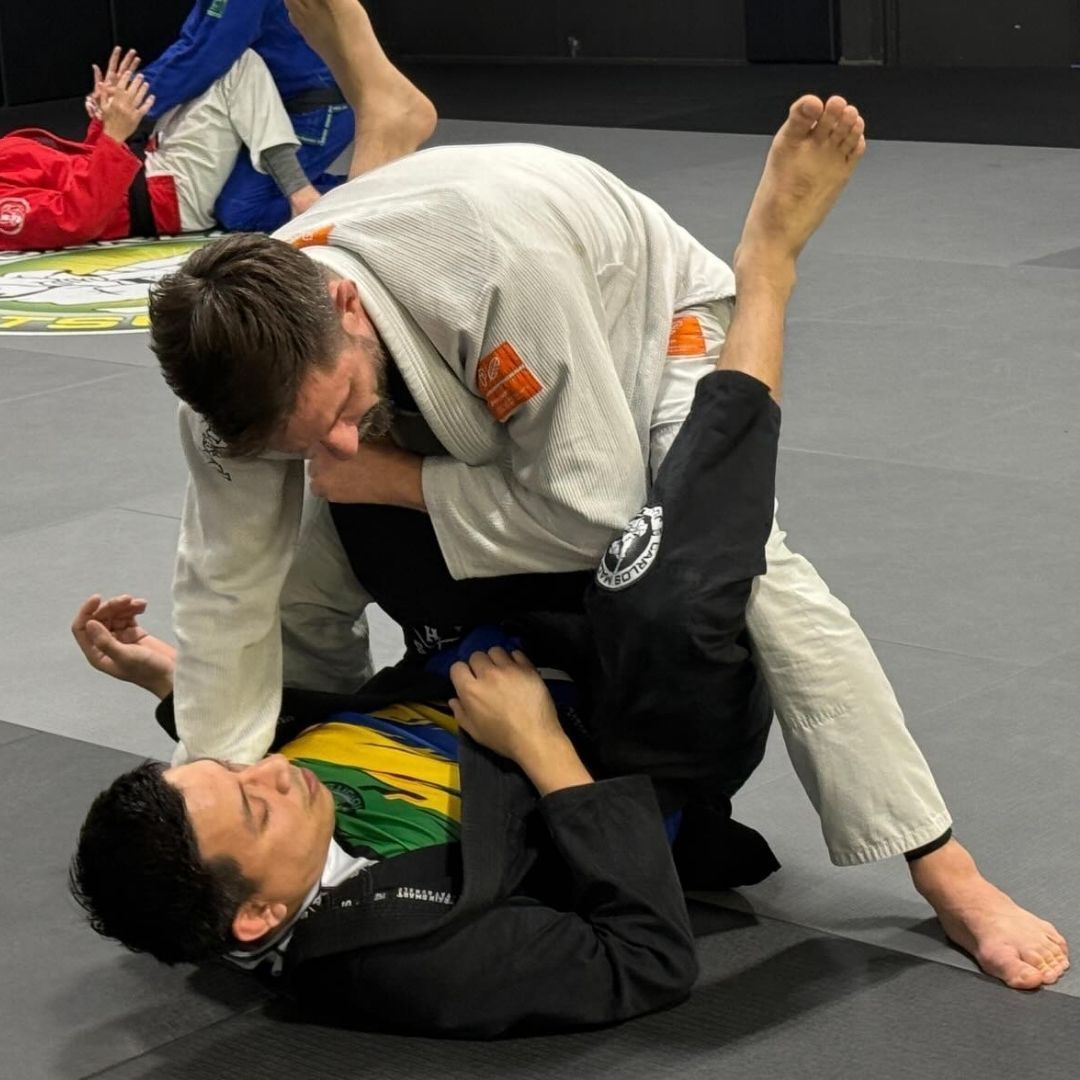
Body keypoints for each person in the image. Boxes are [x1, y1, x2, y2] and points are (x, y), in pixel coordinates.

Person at [73, 95, 1069, 1028]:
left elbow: (592, 513)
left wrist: (397, 484)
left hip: (636, 319)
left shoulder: (498, 270)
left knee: (737, 566)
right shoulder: (238, 403)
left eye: (332, 414)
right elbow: (224, 584)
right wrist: (235, 757)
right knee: (286, 552)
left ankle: (943, 866)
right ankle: (384, 126)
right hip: (463, 510)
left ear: (344, 310)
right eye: (293, 444)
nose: (326, 450)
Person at [141, 0, 436, 230]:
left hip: (311, 109)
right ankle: (386, 181)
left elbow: (205, 53)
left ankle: (404, 194)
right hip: (286, 101)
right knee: (235, 198)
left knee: (241, 210)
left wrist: (133, 98)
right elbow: (196, 43)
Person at [0, 45, 319, 251]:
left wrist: (103, 118)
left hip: (154, 169)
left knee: (212, 69)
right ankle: (300, 191)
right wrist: (112, 136)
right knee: (238, 64)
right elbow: (76, 218)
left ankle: (316, 187)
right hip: (166, 199)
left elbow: (78, 173)